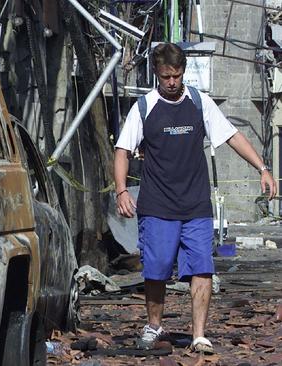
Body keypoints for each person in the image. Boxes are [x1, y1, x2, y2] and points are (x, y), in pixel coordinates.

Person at [113, 43, 277, 353]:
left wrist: (263, 168)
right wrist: (121, 190)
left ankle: (199, 334)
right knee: (157, 267)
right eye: (166, 77)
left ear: (183, 72)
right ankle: (154, 325)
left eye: (176, 76)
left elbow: (231, 135)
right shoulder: (144, 108)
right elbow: (122, 151)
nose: (172, 82)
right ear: (156, 75)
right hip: (158, 205)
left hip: (196, 205)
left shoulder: (199, 103)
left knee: (202, 266)